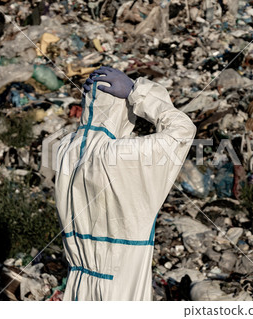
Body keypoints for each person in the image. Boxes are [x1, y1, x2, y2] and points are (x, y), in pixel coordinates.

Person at [55, 67, 196, 300]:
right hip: (122, 283)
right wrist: (137, 92)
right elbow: (182, 131)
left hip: (78, 283)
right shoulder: (124, 155)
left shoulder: (64, 150)